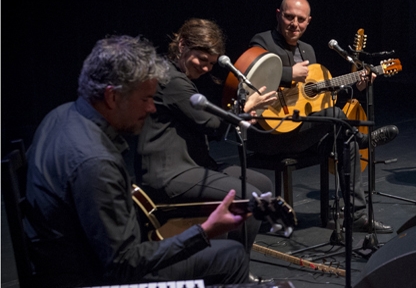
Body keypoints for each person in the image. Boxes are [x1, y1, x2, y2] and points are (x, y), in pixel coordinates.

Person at [23, 35, 252, 287]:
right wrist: (204, 232)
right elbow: (123, 265)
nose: (152, 108)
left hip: (68, 259)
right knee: (231, 256)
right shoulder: (95, 163)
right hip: (88, 276)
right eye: (145, 99)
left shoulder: (60, 115)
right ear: (112, 97)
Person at [248, 0, 397, 233]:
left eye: (300, 19)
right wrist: (287, 74)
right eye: (289, 17)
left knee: (343, 136)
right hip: (271, 132)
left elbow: (315, 95)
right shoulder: (262, 42)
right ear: (278, 15)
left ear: (308, 22)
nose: (294, 24)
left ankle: (356, 215)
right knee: (339, 118)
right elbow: (249, 80)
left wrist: (357, 83)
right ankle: (363, 139)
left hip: (300, 131)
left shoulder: (307, 50)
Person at [138, 18, 276, 246]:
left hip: (193, 164)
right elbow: (212, 125)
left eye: (211, 63)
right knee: (250, 199)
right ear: (182, 45)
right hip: (169, 173)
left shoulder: (177, 76)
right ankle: (235, 270)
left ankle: (231, 256)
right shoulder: (171, 80)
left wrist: (240, 113)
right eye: (202, 60)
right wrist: (244, 109)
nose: (205, 68)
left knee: (262, 185)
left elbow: (212, 124)